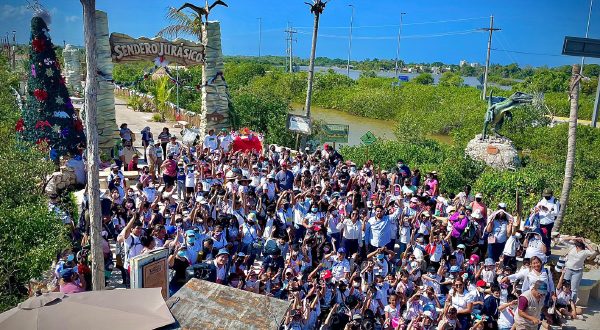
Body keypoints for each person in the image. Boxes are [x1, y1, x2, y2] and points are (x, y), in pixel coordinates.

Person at [561, 237, 597, 302]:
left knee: (574, 289)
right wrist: (572, 237)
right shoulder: (572, 247)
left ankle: (572, 304)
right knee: (564, 286)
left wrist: (585, 242)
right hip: (568, 270)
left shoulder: (585, 251)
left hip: (577, 272)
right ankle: (563, 302)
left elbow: (593, 252)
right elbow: (562, 240)